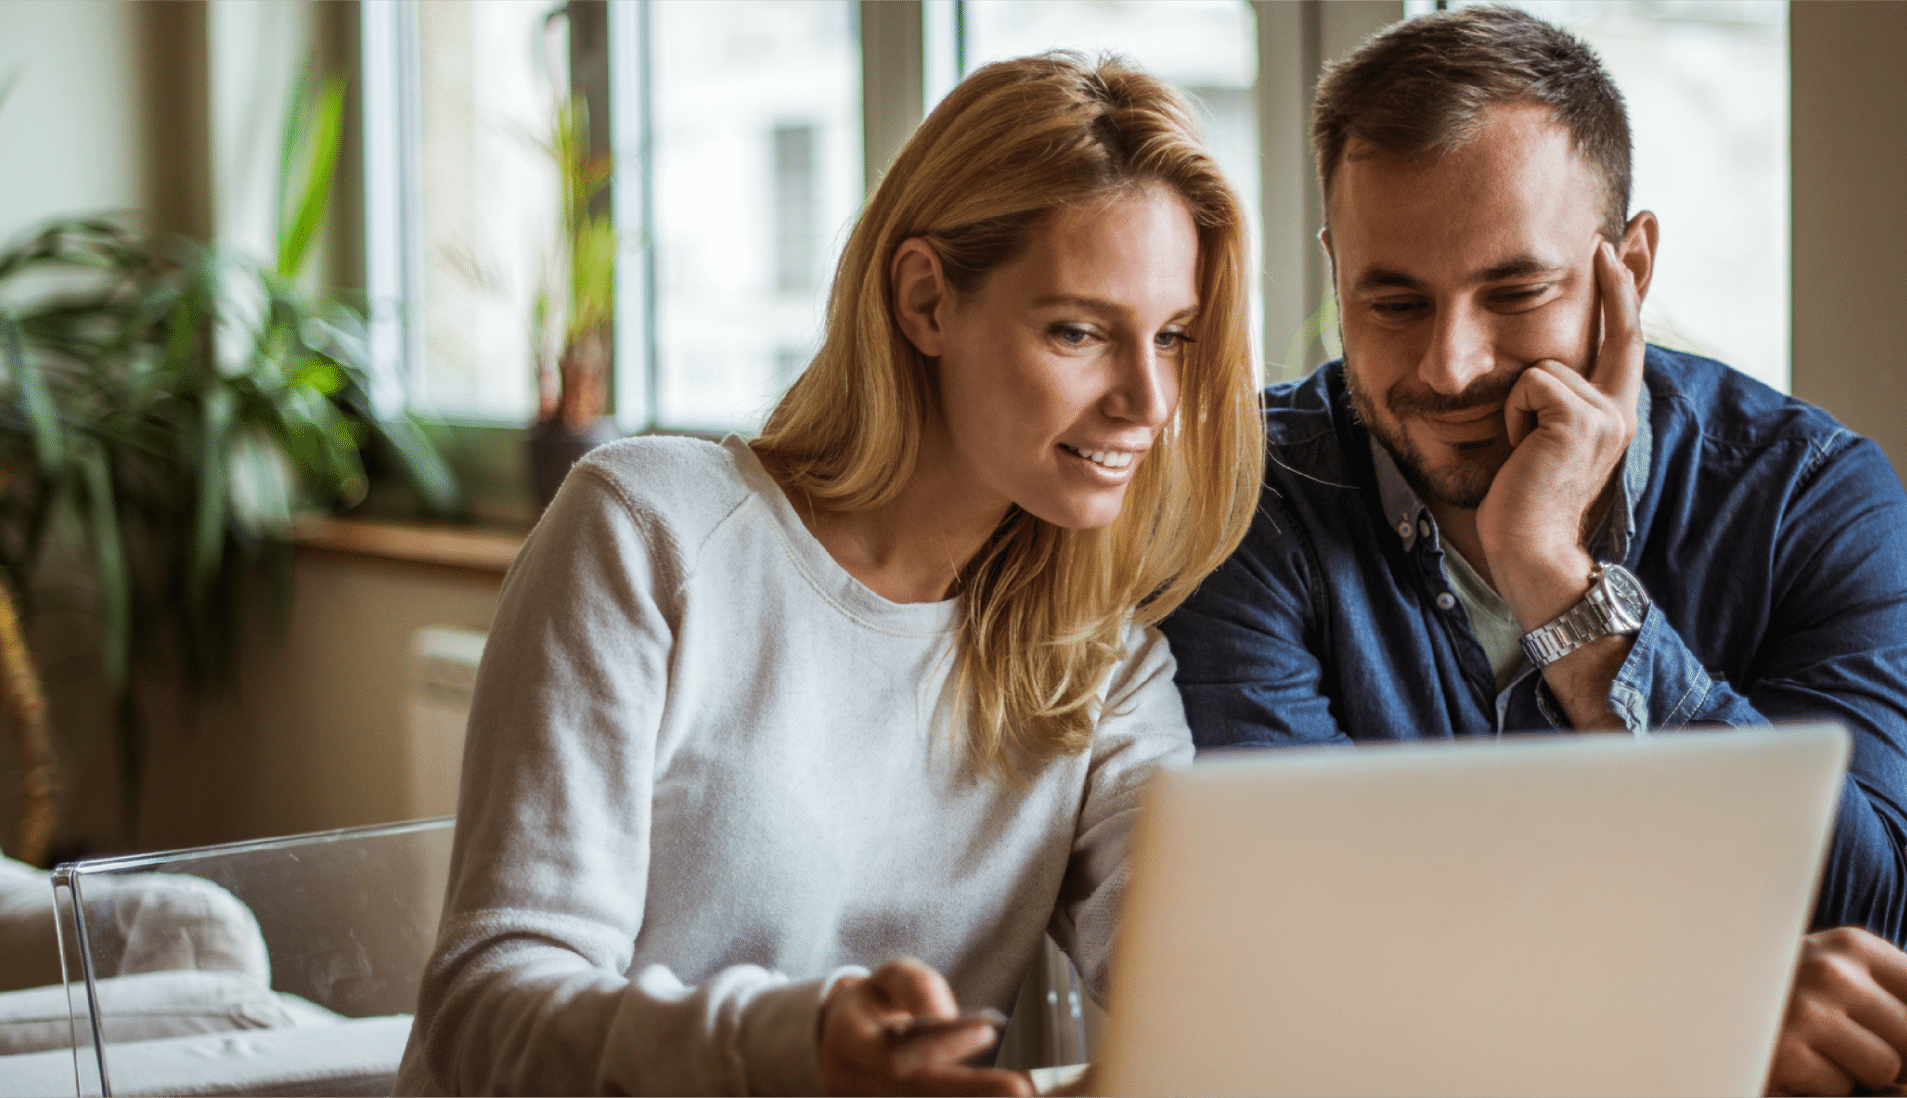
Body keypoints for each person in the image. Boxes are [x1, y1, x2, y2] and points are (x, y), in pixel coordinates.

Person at [392, 52, 1260, 1097]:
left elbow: (1201, 986)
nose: (1149, 402)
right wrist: (795, 1052)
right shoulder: (650, 531)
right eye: (1078, 331)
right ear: (925, 300)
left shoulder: (1103, 666)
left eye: (1172, 338)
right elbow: (486, 1007)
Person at [1158, 9, 1907, 1096]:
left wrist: (1557, 579)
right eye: (1393, 300)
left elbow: (1873, 922)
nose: (1450, 366)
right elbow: (1293, 951)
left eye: (1515, 292)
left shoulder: (1809, 498)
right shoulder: (1241, 498)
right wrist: (1697, 1004)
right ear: (1334, 269)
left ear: (1626, 267)